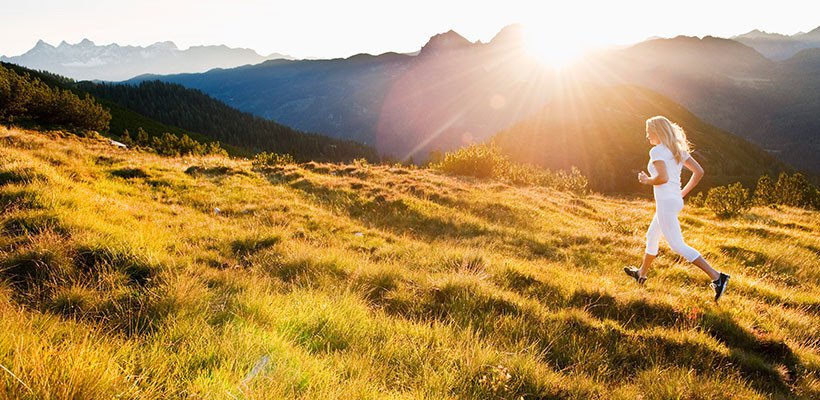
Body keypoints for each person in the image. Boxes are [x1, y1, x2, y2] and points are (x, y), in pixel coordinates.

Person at [624, 116, 730, 302]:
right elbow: (699, 171)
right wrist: (682, 193)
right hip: (673, 201)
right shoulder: (677, 150)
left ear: (657, 132)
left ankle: (717, 277)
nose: (647, 135)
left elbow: (662, 178)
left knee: (677, 245)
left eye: (649, 132)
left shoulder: (657, 151)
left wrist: (646, 180)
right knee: (652, 235)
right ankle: (641, 273)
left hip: (665, 202)